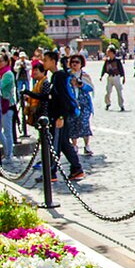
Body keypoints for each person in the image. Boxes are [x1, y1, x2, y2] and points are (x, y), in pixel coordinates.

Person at [43, 50, 85, 181]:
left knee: (56, 143)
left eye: (45, 60)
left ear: (52, 61)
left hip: (60, 116)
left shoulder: (59, 77)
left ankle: (52, 172)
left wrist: (61, 116)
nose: (43, 63)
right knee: (64, 143)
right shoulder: (55, 76)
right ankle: (76, 169)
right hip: (58, 115)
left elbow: (63, 98)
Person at [66, 54, 95, 155]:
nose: (74, 64)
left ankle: (86, 145)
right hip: (72, 103)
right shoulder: (67, 75)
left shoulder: (84, 75)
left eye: (77, 62)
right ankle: (74, 145)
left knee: (84, 123)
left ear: (81, 64)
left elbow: (91, 88)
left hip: (84, 103)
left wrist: (81, 85)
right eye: (73, 62)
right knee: (72, 123)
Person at [0, 53, 16, 163]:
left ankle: (9, 154)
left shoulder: (8, 74)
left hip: (8, 105)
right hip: (0, 105)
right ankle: (7, 151)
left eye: (0, 61)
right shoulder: (0, 73)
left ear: (6, 62)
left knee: (7, 131)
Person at [101, 46, 126, 111]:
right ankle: (108, 103)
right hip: (109, 77)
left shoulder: (117, 60)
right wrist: (101, 76)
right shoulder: (107, 61)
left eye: (108, 52)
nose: (107, 53)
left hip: (116, 77)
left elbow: (121, 69)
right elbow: (104, 68)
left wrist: (123, 77)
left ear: (112, 52)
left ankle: (121, 105)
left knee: (119, 91)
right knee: (108, 91)